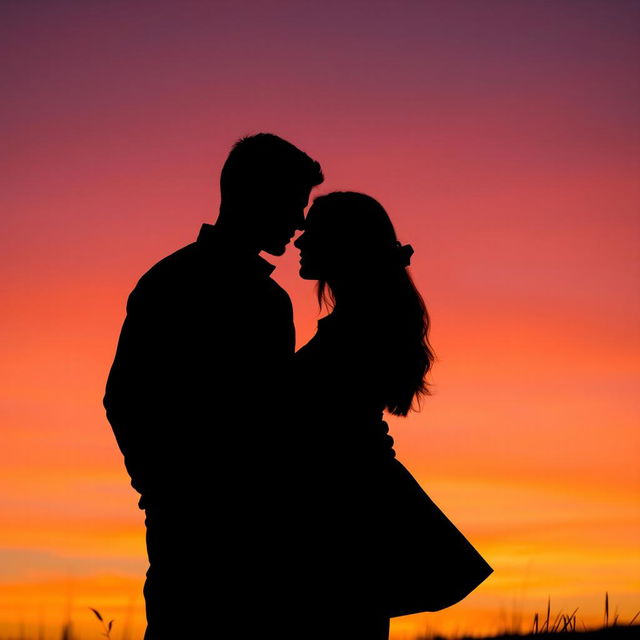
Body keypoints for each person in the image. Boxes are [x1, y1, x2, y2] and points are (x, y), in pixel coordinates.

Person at [103, 133, 323, 639]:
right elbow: (126, 397)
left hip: (260, 531)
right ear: (255, 196)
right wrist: (165, 488)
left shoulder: (270, 300)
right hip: (193, 531)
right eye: (294, 202)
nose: (299, 221)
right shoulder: (173, 284)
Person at [290, 192, 493, 640]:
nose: (300, 243)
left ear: (344, 245)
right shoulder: (361, 321)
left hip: (345, 501)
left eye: (314, 233)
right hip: (355, 494)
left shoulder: (356, 329)